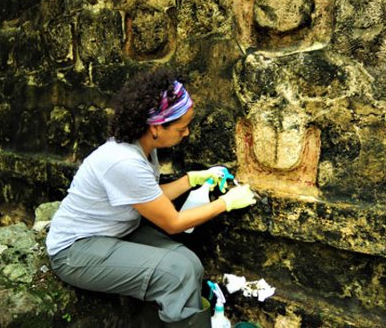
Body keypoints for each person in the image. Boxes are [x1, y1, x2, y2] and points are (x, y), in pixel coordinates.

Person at [46, 68, 257, 327]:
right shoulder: (124, 161)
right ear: (156, 127)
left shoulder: (144, 148)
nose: (187, 133)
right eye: (182, 127)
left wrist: (192, 179)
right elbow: (173, 222)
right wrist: (226, 203)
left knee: (189, 263)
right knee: (176, 274)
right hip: (75, 251)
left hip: (112, 233)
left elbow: (150, 197)